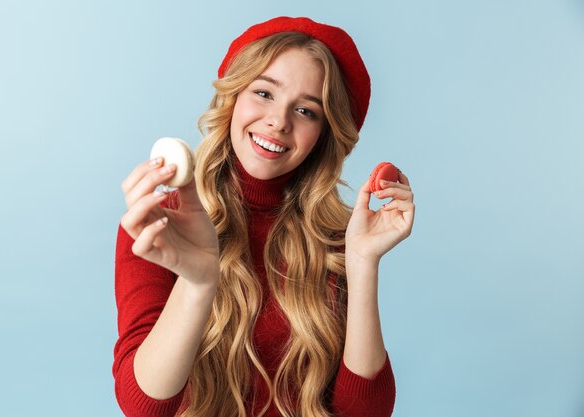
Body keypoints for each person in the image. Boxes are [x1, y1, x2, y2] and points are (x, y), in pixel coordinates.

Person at [113, 16, 415, 417]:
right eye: (264, 93)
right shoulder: (159, 226)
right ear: (233, 97)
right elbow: (143, 407)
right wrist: (199, 282)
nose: (279, 121)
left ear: (325, 133)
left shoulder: (337, 238)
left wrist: (362, 262)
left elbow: (366, 413)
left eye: (306, 111)